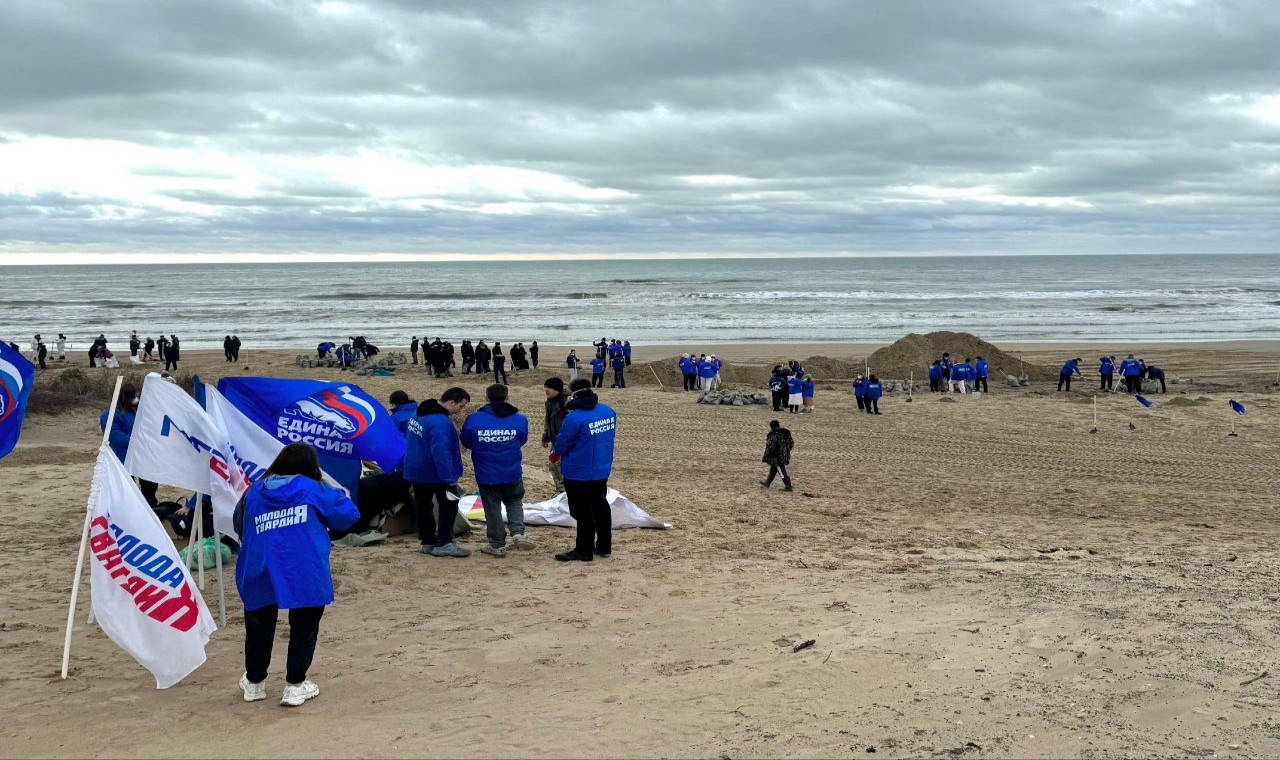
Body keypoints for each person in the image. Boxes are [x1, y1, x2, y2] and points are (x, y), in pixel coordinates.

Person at [233, 443, 360, 707]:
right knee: (304, 625)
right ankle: (295, 684)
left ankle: (255, 683)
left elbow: (238, 523)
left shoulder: (254, 491)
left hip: (259, 565)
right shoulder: (315, 489)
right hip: (304, 567)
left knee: (258, 626)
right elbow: (348, 514)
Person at [461, 384, 534, 557]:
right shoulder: (519, 419)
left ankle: (496, 544)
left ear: (486, 398)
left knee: (492, 507)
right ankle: (518, 532)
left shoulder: (473, 419)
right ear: (507, 397)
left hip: (486, 472)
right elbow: (521, 439)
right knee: (514, 501)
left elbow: (466, 441)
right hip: (511, 470)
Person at [550, 378, 617, 562]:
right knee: (600, 506)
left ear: (574, 394)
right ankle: (604, 547)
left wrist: (555, 454)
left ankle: (584, 550)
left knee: (582, 511)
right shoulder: (608, 411)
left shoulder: (575, 417)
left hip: (579, 471)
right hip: (601, 468)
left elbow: (563, 441)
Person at [403, 387, 471, 557]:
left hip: (415, 468)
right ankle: (445, 542)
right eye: (460, 406)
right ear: (451, 402)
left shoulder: (418, 413)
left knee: (423, 505)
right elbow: (441, 452)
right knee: (449, 504)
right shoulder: (440, 423)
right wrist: (449, 477)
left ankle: (427, 541)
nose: (460, 411)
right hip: (434, 472)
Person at [100, 381, 159, 508]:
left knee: (149, 486)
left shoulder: (139, 412)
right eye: (133, 397)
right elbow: (113, 435)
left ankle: (151, 508)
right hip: (122, 456)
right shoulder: (111, 414)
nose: (136, 400)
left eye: (138, 397)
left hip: (142, 455)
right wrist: (136, 441)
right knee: (127, 486)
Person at [541, 377, 568, 494]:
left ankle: (565, 492)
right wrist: (546, 435)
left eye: (549, 388)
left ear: (557, 389)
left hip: (566, 441)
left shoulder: (567, 401)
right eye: (545, 388)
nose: (546, 390)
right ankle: (560, 491)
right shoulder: (549, 402)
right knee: (554, 465)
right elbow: (548, 419)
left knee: (562, 466)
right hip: (555, 440)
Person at [760, 420, 794, 491]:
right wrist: (786, 451)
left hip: (777, 457)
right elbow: (791, 444)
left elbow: (770, 447)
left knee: (781, 471)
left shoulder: (773, 435)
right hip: (784, 455)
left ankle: (788, 486)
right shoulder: (786, 434)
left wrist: (767, 456)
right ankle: (767, 483)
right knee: (773, 469)